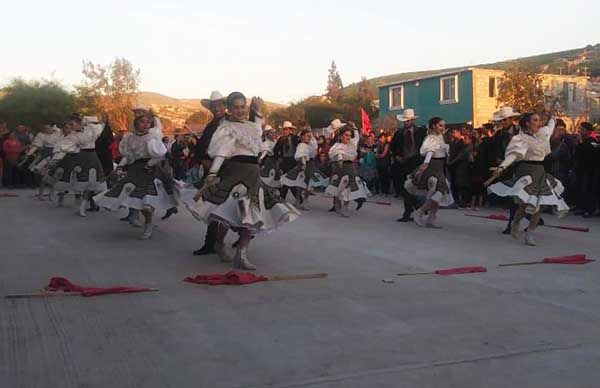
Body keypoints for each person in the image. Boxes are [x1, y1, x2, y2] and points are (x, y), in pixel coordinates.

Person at [186, 92, 299, 270]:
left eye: (242, 107)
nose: (240, 110)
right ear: (229, 109)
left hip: (253, 173)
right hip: (235, 171)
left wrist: (258, 111)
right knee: (226, 213)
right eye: (236, 107)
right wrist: (213, 172)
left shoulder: (252, 127)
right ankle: (218, 243)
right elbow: (222, 151)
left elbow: (258, 132)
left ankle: (242, 254)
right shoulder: (226, 128)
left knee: (252, 215)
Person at [487, 113, 568, 246]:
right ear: (527, 123)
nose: (539, 122)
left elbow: (551, 125)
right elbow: (512, 156)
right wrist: (501, 168)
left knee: (538, 206)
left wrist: (552, 116)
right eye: (535, 120)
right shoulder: (520, 139)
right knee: (523, 207)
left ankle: (530, 234)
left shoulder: (543, 133)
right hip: (525, 172)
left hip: (540, 172)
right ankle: (516, 222)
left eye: (539, 119)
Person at [94, 114, 176, 239]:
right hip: (135, 169)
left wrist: (149, 165)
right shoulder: (129, 137)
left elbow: (160, 154)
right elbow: (127, 155)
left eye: (148, 122)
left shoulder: (152, 137)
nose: (145, 124)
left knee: (147, 202)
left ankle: (148, 224)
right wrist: (120, 167)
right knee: (134, 198)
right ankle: (138, 218)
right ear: (136, 123)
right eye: (142, 121)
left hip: (150, 170)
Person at [191, 90, 228, 256]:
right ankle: (211, 242)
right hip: (212, 169)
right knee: (213, 205)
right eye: (214, 106)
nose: (217, 108)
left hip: (228, 168)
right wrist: (202, 159)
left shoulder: (230, 122)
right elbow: (202, 145)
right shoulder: (212, 124)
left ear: (225, 106)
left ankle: (243, 236)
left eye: (220, 105)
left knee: (230, 205)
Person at [405, 117, 454, 228]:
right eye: (440, 125)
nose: (443, 128)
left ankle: (431, 218)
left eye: (443, 125)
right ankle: (420, 212)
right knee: (439, 191)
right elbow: (429, 151)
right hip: (433, 167)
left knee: (437, 194)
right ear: (433, 126)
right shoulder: (431, 138)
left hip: (440, 167)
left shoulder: (440, 137)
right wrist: (426, 164)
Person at [66, 115, 108, 217]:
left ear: (79, 122)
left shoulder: (91, 129)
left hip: (93, 156)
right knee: (82, 183)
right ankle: (80, 206)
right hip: (81, 156)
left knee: (92, 183)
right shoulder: (72, 135)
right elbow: (70, 147)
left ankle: (83, 207)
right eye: (69, 124)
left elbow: (98, 131)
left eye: (72, 124)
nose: (70, 126)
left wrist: (89, 124)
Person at [390, 109, 427, 222]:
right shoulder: (399, 133)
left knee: (412, 187)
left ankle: (412, 210)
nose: (406, 123)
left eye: (408, 121)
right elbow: (393, 146)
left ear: (412, 120)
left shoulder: (420, 131)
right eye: (404, 121)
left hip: (415, 162)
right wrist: (396, 156)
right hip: (402, 163)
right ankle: (414, 208)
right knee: (403, 188)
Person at [325, 124, 369, 217]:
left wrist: (355, 128)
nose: (348, 137)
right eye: (346, 135)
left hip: (350, 167)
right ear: (341, 136)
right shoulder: (337, 145)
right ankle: (337, 203)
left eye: (349, 135)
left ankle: (345, 207)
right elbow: (337, 152)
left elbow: (356, 138)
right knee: (338, 186)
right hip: (340, 167)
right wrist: (340, 159)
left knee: (349, 187)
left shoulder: (352, 144)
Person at [491, 107, 521, 234]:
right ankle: (513, 222)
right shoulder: (499, 134)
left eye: (504, 120)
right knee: (510, 196)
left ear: (511, 119)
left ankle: (520, 220)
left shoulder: (520, 132)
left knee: (519, 196)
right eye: (501, 121)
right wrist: (499, 160)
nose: (502, 123)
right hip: (505, 168)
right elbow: (495, 149)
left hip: (519, 167)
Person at [280, 129, 320, 210]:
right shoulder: (301, 145)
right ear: (302, 137)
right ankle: (298, 200)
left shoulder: (310, 145)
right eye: (307, 136)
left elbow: (314, 151)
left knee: (308, 184)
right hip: (303, 165)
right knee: (300, 183)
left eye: (310, 136)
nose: (309, 138)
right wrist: (304, 163)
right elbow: (301, 155)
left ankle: (303, 201)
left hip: (310, 165)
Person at [24, 124, 61, 199]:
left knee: (55, 176)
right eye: (45, 128)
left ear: (51, 128)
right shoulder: (41, 135)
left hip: (55, 155)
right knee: (43, 177)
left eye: (48, 128)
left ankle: (51, 195)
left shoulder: (58, 134)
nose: (46, 129)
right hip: (46, 155)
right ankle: (40, 194)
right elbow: (36, 146)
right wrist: (29, 154)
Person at [574, 122, 600, 218]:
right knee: (581, 189)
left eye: (582, 129)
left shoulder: (592, 141)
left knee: (589, 190)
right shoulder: (581, 141)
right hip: (580, 170)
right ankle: (582, 207)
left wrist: (580, 143)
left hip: (590, 171)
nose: (580, 131)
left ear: (588, 131)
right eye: (580, 129)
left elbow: (590, 154)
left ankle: (590, 210)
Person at [273, 120, 299, 201]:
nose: (285, 131)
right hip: (284, 161)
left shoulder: (295, 138)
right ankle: (283, 197)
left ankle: (286, 197)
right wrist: (278, 159)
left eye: (287, 129)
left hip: (293, 161)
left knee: (291, 181)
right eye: (284, 129)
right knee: (285, 180)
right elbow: (275, 150)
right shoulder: (281, 139)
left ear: (290, 130)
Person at [447, 128, 471, 207]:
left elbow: (462, 154)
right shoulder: (453, 142)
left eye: (454, 132)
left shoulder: (463, 142)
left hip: (461, 165)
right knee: (453, 184)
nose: (452, 134)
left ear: (459, 133)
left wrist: (452, 161)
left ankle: (463, 201)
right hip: (452, 166)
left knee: (461, 183)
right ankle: (455, 200)